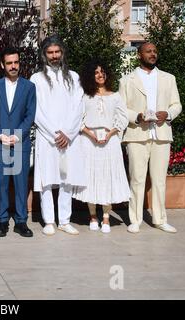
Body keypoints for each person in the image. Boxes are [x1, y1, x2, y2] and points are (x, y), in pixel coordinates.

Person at [119, 42, 182, 234]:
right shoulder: (127, 80)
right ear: (140, 55)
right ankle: (135, 219)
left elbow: (177, 104)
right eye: (148, 51)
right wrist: (136, 117)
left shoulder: (168, 78)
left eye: (155, 51)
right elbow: (121, 109)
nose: (153, 54)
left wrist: (168, 114)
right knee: (137, 179)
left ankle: (160, 219)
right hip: (137, 135)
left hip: (161, 135)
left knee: (159, 180)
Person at [30, 35, 85, 236]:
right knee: (47, 179)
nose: (54, 56)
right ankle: (49, 221)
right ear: (44, 55)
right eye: (50, 52)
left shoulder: (74, 77)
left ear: (62, 53)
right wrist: (55, 133)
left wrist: (68, 134)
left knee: (66, 179)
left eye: (57, 52)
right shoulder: (36, 79)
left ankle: (64, 220)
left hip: (69, 139)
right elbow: (36, 110)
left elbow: (79, 107)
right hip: (47, 138)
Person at [72, 60, 130, 233]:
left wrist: (110, 133)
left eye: (103, 72)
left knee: (107, 178)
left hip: (110, 143)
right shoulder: (85, 96)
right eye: (96, 72)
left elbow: (123, 118)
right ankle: (93, 216)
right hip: (89, 143)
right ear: (91, 76)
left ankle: (106, 216)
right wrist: (91, 134)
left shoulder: (115, 96)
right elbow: (78, 119)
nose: (100, 75)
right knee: (91, 178)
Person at [0, 47, 36, 237]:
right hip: (0, 143)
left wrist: (17, 136)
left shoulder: (29, 87)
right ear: (3, 65)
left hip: (20, 142)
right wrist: (0, 136)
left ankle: (21, 221)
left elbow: (30, 115)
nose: (13, 66)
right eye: (9, 63)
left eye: (16, 62)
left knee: (21, 183)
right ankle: (1, 221)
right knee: (0, 182)